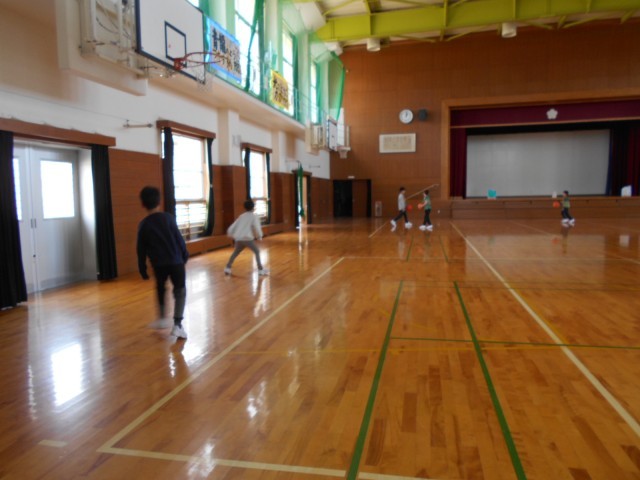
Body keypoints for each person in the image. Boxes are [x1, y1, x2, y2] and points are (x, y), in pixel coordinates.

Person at [137, 186, 189, 339]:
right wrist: (185, 255)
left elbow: (140, 248)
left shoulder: (144, 224)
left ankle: (161, 318)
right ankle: (177, 324)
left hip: (159, 264)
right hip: (176, 262)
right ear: (159, 202)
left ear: (142, 204)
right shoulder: (169, 218)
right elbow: (179, 238)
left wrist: (142, 267)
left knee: (160, 287)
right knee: (180, 291)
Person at [224, 199, 269, 276]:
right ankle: (260, 270)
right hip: (248, 239)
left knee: (235, 253)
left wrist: (230, 233)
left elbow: (234, 225)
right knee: (257, 251)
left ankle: (227, 268)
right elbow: (257, 227)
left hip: (239, 239)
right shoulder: (254, 216)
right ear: (253, 207)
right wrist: (260, 236)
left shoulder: (241, 216)